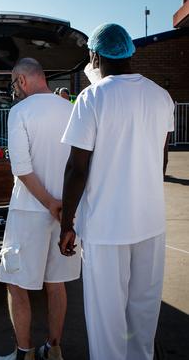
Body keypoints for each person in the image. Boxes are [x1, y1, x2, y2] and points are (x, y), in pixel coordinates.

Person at [59, 24, 174, 360]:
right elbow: (161, 159)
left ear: (95, 55)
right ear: (129, 53)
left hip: (107, 228)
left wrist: (67, 224)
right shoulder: (160, 96)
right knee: (144, 312)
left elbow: (76, 169)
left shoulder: (91, 99)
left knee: (106, 318)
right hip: (150, 223)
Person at [0, 58, 80, 360]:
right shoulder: (71, 110)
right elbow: (81, 165)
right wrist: (63, 207)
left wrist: (49, 204)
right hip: (66, 213)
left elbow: (22, 168)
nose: (15, 90)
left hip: (30, 212)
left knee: (17, 285)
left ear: (23, 80)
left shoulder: (20, 112)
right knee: (56, 284)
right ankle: (53, 349)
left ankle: (23, 354)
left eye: (15, 84)